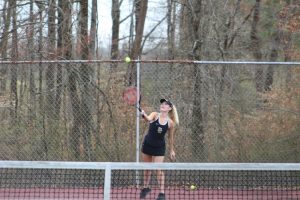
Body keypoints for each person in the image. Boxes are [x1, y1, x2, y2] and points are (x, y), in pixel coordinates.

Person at [139, 98, 179, 200]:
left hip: (159, 148)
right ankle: (146, 188)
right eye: (162, 103)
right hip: (147, 144)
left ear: (169, 108)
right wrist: (143, 114)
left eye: (165, 104)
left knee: (158, 169)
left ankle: (162, 193)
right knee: (147, 168)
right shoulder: (155, 115)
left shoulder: (170, 123)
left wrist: (171, 150)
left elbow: (170, 137)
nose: (162, 105)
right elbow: (148, 118)